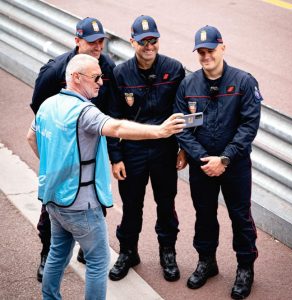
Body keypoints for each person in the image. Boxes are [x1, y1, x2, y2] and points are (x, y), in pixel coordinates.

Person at [26, 54, 185, 300]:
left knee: (57, 253)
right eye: (96, 77)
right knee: (99, 262)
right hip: (82, 204)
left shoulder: (48, 104)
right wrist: (160, 131)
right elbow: (119, 128)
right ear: (76, 78)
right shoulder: (84, 112)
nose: (101, 81)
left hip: (53, 200)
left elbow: (31, 137)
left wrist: (55, 167)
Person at [173, 25, 263, 299]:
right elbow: (181, 127)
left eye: (210, 50)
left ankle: (245, 267)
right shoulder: (188, 85)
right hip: (203, 166)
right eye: (200, 51)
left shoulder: (244, 82)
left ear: (222, 48)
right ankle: (207, 261)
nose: (205, 56)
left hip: (234, 165)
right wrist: (204, 158)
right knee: (204, 214)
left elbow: (249, 126)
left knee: (240, 216)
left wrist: (224, 158)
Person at [30, 17, 117, 282]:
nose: (98, 46)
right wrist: (56, 148)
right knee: (53, 207)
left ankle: (86, 247)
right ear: (77, 41)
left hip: (92, 150)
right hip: (62, 154)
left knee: (94, 203)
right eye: (92, 42)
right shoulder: (56, 70)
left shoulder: (108, 67)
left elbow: (111, 110)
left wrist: (113, 154)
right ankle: (47, 253)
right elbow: (38, 109)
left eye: (101, 41)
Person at [107, 15, 186, 282]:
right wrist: (115, 158)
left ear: (158, 40)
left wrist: (183, 149)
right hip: (133, 152)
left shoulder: (174, 69)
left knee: (166, 203)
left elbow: (181, 113)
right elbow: (113, 118)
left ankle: (168, 252)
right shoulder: (120, 73)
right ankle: (128, 252)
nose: (148, 46)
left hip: (165, 150)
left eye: (153, 40)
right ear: (132, 42)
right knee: (131, 206)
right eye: (143, 42)